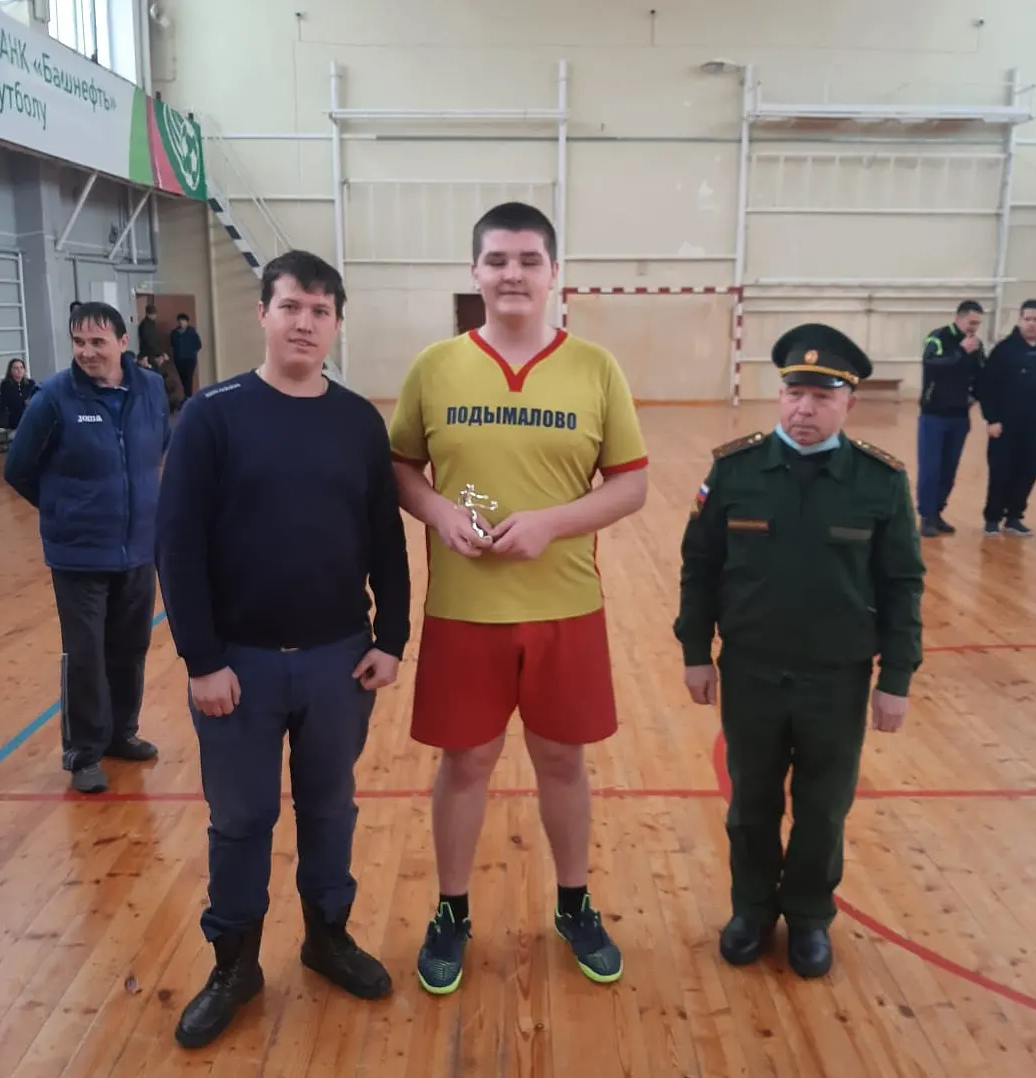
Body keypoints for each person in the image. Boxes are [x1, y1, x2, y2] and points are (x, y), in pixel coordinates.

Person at [387, 201, 648, 995]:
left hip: (566, 606)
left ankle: (574, 904)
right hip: (463, 610)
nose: (513, 274)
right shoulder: (435, 366)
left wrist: (551, 523)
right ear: (475, 271)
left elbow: (631, 485)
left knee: (562, 759)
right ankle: (451, 912)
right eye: (497, 259)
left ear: (554, 273)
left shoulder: (596, 369)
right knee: (466, 762)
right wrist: (437, 511)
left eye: (529, 260)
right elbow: (400, 468)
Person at [155, 249, 410, 1050]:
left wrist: (393, 638)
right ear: (263, 313)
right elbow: (177, 545)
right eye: (292, 306)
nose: (305, 322)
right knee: (242, 819)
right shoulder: (212, 415)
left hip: (340, 661)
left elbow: (385, 538)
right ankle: (234, 965)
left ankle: (327, 937)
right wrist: (202, 660)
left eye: (321, 310)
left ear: (336, 325)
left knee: (331, 807)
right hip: (239, 665)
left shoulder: (359, 421)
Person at [673, 323, 925, 979]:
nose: (804, 409)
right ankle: (753, 910)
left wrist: (896, 678)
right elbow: (700, 568)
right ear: (779, 396)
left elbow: (902, 584)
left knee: (823, 808)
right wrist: (695, 651)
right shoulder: (735, 471)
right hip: (751, 672)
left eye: (821, 397)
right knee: (751, 804)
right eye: (794, 394)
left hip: (836, 679)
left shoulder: (879, 481)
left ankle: (810, 916)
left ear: (849, 403)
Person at [4, 303, 169, 794]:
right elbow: (18, 468)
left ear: (122, 342)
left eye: (98, 342)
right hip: (78, 554)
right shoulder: (54, 397)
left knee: (130, 647)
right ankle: (84, 753)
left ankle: (122, 733)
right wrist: (64, 509)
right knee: (85, 655)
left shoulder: (151, 389)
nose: (87, 351)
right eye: (79, 342)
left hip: (138, 548)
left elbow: (159, 447)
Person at [977, 299, 1036, 536]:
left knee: (1030, 470)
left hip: (1034, 425)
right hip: (1004, 425)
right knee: (1001, 471)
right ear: (1020, 320)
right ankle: (993, 517)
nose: (1031, 324)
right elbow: (987, 386)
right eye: (1027, 319)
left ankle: (1014, 517)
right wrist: (992, 419)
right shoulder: (1003, 350)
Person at [916, 300, 985, 537]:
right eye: (971, 322)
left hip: (960, 416)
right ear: (958, 318)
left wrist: (976, 397)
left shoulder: (977, 345)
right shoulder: (937, 338)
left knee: (949, 469)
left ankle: (937, 512)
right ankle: (926, 516)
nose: (974, 327)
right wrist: (961, 352)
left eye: (977, 323)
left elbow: (980, 374)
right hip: (934, 415)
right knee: (931, 468)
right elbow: (932, 365)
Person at [169, 312, 203, 401]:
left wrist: (191, 351)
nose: (181, 323)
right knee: (183, 380)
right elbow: (173, 344)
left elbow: (198, 345)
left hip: (189, 360)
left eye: (183, 321)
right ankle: (187, 397)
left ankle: (188, 398)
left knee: (188, 380)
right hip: (179, 361)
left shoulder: (192, 332)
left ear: (187, 322)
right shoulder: (175, 333)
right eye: (179, 321)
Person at [0, 358, 38, 429]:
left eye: (21, 367)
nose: (19, 370)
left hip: (29, 417)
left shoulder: (30, 383)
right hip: (13, 419)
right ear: (11, 370)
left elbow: (35, 400)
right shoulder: (5, 385)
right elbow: (5, 402)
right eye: (16, 368)